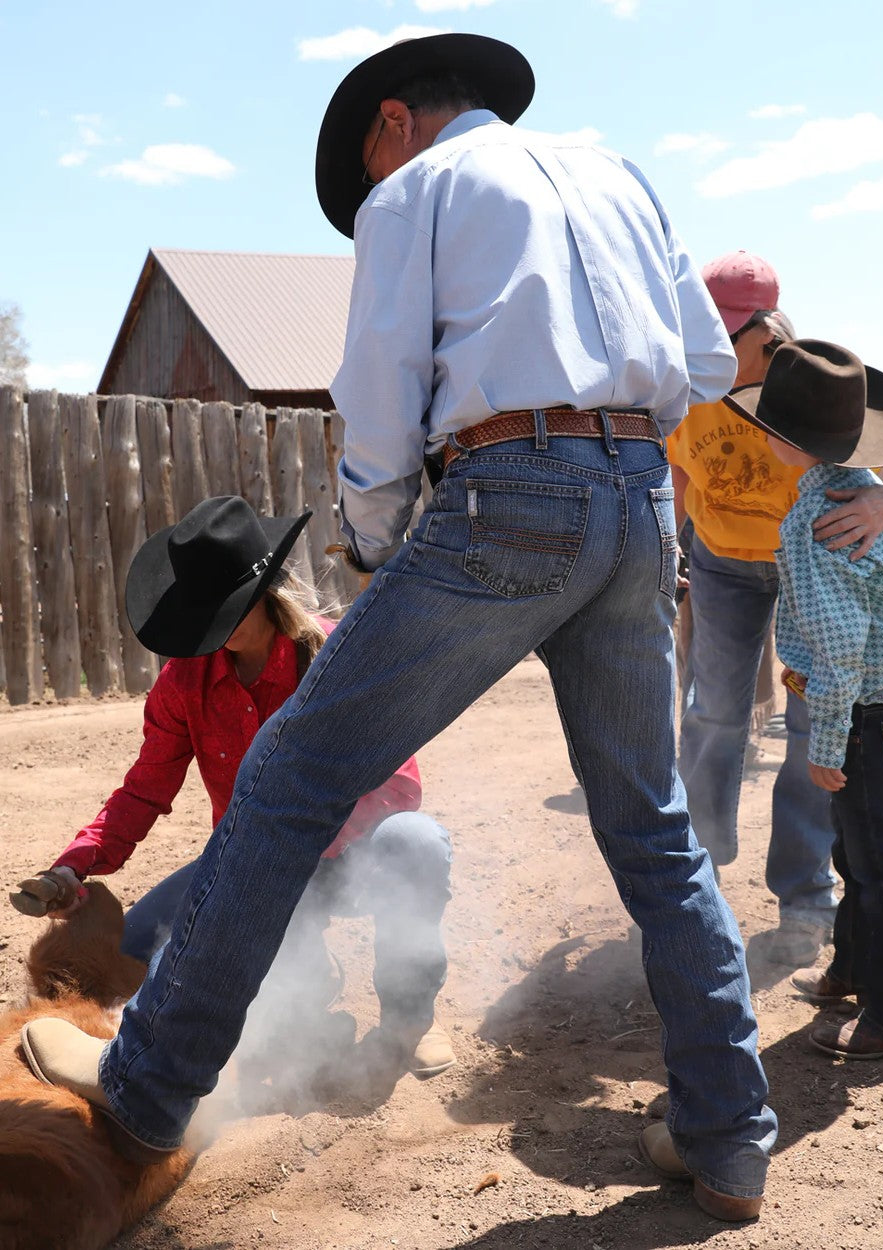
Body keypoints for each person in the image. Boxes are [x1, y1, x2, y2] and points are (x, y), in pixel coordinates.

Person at [21, 33, 775, 1221]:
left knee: (287, 776)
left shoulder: (412, 193)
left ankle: (152, 1084)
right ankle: (728, 1134)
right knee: (655, 831)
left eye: (363, 171)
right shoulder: (619, 170)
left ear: (390, 124)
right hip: (637, 500)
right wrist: (611, 436)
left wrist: (375, 540)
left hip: (504, 494)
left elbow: (375, 390)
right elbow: (693, 359)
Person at [12, 495, 455, 1079]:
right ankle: (303, 993)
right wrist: (75, 867)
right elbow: (144, 789)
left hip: (351, 857)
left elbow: (399, 785)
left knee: (415, 842)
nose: (209, 628)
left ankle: (407, 1018)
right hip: (250, 862)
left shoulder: (334, 655)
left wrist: (299, 848)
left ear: (264, 596)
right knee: (137, 947)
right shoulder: (184, 683)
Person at [668, 251, 883, 965]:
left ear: (769, 328)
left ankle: (804, 897)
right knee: (714, 714)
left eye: (730, 332)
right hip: (724, 563)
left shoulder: (811, 387)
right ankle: (697, 879)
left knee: (812, 728)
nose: (715, 345)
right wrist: (667, 550)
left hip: (808, 568)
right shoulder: (688, 377)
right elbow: (676, 468)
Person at [724, 339, 883, 1059]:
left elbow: (841, 647)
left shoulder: (816, 523)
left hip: (859, 703)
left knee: (878, 857)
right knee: (855, 843)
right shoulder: (865, 484)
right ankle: (854, 966)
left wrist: (822, 742)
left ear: (783, 439)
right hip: (882, 693)